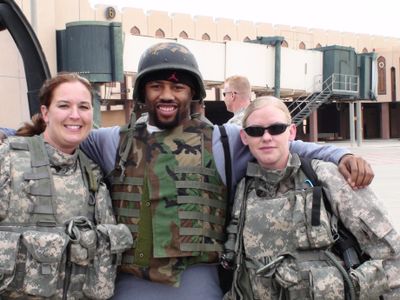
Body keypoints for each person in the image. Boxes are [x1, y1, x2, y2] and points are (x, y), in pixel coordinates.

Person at [75, 42, 373, 300]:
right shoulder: (112, 141)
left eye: (178, 87)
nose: (167, 95)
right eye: (156, 87)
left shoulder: (223, 139)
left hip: (200, 284)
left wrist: (340, 153)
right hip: (131, 283)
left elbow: (285, 146)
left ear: (192, 93)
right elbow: (62, 142)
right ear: (143, 92)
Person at [223, 96, 400, 299]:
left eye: (276, 128)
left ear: (291, 132)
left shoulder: (326, 176)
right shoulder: (243, 191)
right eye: (256, 131)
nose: (266, 137)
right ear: (245, 138)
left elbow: (391, 255)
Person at [0, 73, 132, 299]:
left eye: (84, 106)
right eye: (63, 105)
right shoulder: (9, 161)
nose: (75, 115)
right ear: (45, 112)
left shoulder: (93, 172)